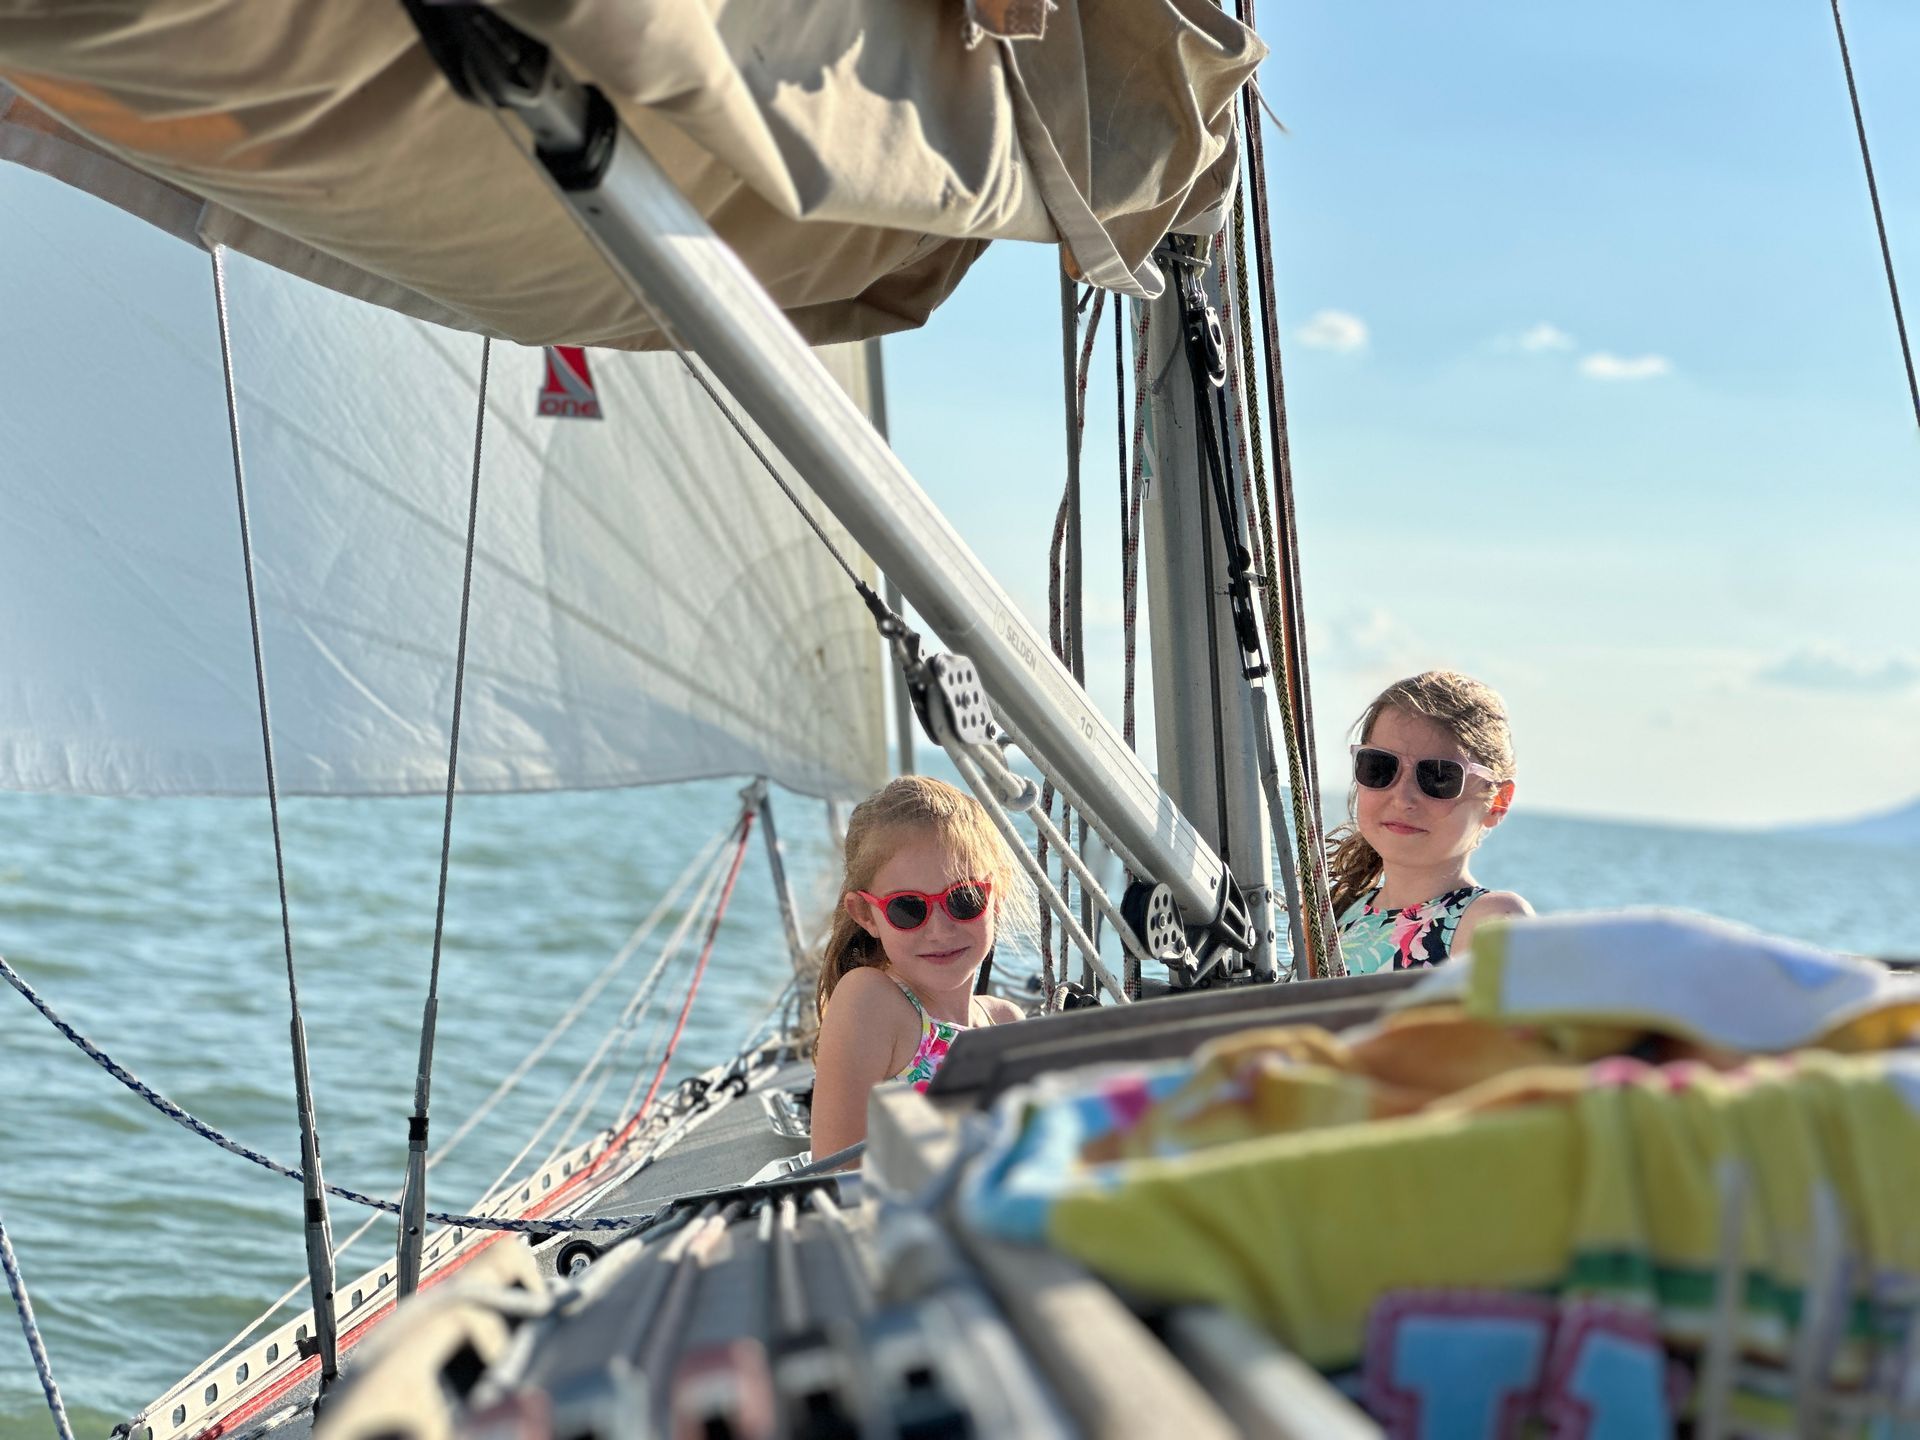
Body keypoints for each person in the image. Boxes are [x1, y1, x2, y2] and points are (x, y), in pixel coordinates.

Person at [809, 775, 1032, 1159]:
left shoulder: (1007, 1022)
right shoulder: (871, 1001)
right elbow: (834, 1174)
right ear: (866, 915)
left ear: (996, 896)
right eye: (908, 908)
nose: (940, 930)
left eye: (964, 899)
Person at [1326, 670, 1532, 972]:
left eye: (1438, 777)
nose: (1402, 798)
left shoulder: (1490, 922)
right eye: (1380, 766)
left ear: (1498, 801)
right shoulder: (1338, 913)